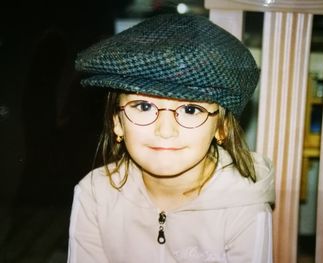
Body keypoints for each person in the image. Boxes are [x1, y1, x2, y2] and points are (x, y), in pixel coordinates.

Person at [68, 14, 275, 263]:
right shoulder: (95, 194)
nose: (165, 131)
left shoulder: (244, 208)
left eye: (190, 110)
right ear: (117, 122)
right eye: (143, 106)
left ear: (221, 128)